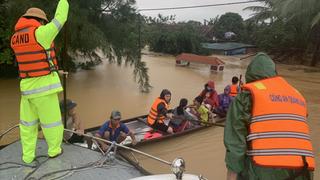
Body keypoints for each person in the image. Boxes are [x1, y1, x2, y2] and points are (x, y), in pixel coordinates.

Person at [224, 53, 315, 180]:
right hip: (304, 171)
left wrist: (231, 177)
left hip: (264, 169)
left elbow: (235, 145)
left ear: (250, 75)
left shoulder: (247, 96)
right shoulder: (298, 96)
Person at [10, 1, 69, 163]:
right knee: (52, 124)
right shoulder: (41, 33)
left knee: (27, 126)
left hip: (26, 90)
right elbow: (61, 17)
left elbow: (34, 58)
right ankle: (54, 150)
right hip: (44, 90)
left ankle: (28, 156)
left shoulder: (14, 38)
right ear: (39, 21)